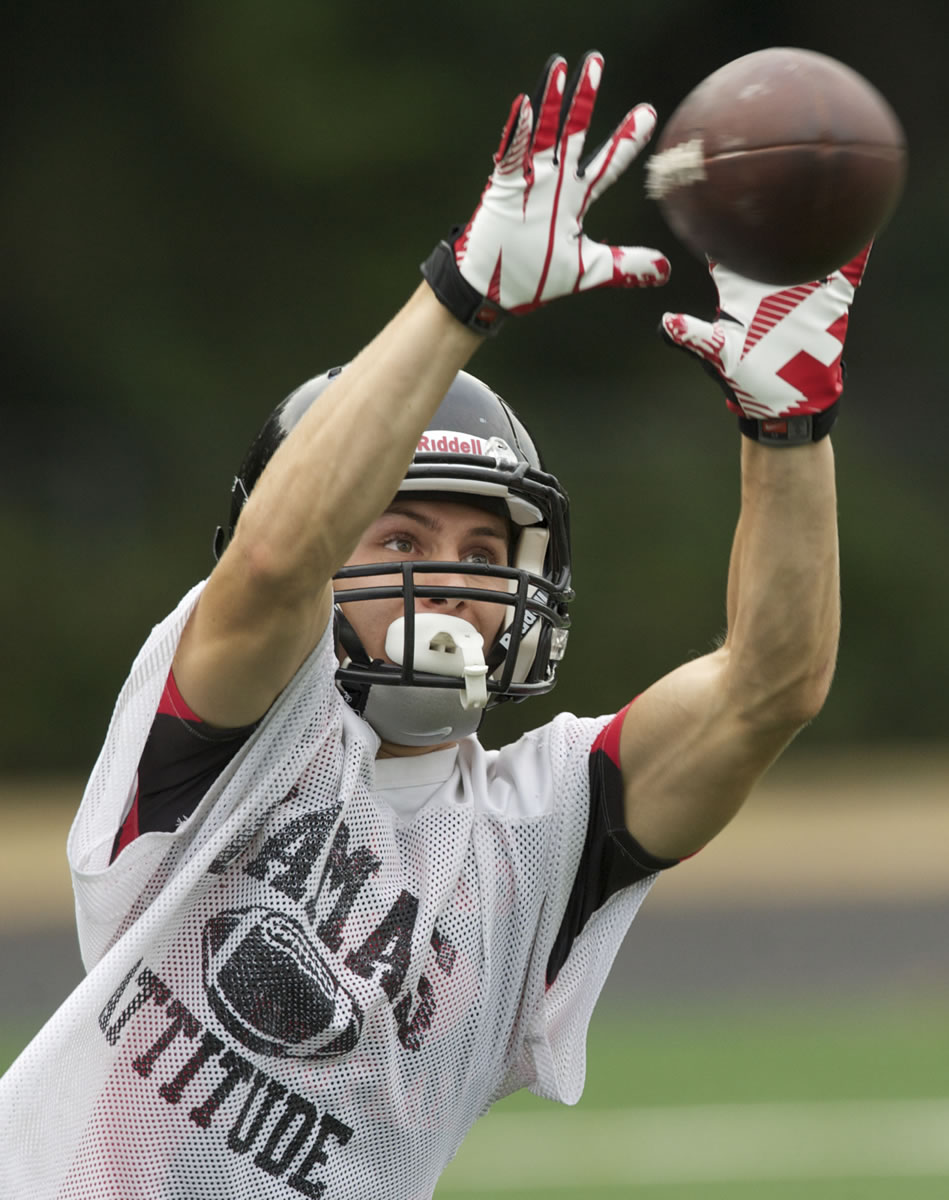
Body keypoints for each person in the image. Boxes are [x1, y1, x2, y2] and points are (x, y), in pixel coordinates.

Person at [0, 51, 869, 1200]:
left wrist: (787, 428)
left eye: (481, 550)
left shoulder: (543, 834)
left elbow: (774, 685)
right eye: (401, 540)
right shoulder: (241, 726)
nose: (451, 581)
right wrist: (461, 296)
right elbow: (272, 557)